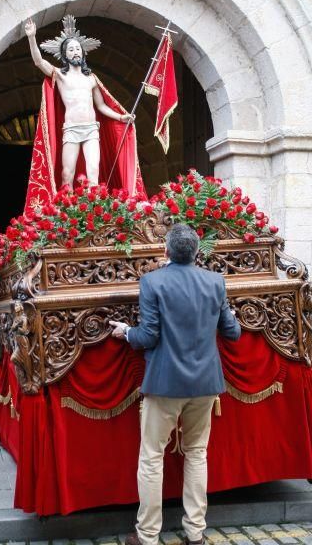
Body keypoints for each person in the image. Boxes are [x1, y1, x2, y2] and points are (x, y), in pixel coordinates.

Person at [110, 223, 241, 545]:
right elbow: (233, 333)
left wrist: (126, 332)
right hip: (206, 383)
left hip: (166, 383)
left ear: (165, 251)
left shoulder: (153, 281)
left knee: (152, 457)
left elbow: (148, 336)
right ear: (197, 252)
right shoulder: (215, 282)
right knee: (197, 454)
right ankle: (195, 533)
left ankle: (148, 536)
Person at [25, 15, 134, 188]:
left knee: (93, 172)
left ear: (83, 52)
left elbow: (101, 106)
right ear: (64, 55)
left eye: (78, 49)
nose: (75, 52)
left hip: (91, 129)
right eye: (71, 49)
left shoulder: (91, 78)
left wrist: (121, 117)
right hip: (71, 129)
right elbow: (39, 62)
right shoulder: (60, 75)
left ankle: (93, 212)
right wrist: (32, 37)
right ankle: (66, 212)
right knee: (67, 173)